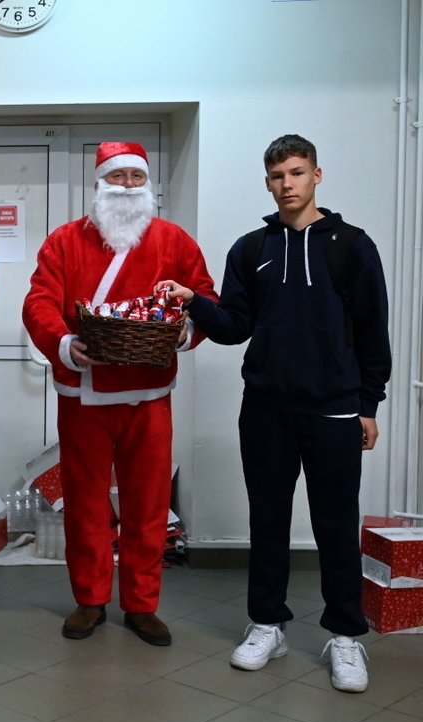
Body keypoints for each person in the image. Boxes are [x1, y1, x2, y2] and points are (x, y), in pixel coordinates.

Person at [159, 134, 391, 692]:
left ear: (317, 175)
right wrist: (195, 302)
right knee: (267, 522)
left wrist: (368, 404)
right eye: (278, 176)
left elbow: (373, 331)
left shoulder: (352, 245)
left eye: (297, 172)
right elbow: (235, 326)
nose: (288, 184)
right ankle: (267, 625)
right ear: (266, 182)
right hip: (265, 408)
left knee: (336, 526)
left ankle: (345, 636)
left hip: (335, 410)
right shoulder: (250, 249)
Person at [22, 142, 217, 647]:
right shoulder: (64, 241)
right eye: (117, 176)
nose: (127, 185)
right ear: (99, 183)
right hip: (83, 395)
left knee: (147, 505)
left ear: (148, 185)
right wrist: (62, 343)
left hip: (150, 395)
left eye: (136, 177)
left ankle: (142, 604)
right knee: (85, 502)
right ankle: (90, 598)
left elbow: (204, 296)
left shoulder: (174, 240)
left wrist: (185, 331)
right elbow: (39, 301)